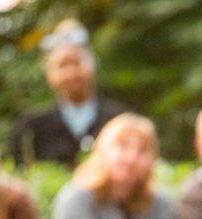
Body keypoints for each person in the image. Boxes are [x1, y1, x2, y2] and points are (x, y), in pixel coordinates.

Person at [11, 19, 129, 169]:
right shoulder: (30, 129)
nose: (72, 73)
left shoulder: (122, 120)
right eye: (63, 65)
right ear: (49, 73)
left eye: (77, 62)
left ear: (93, 65)